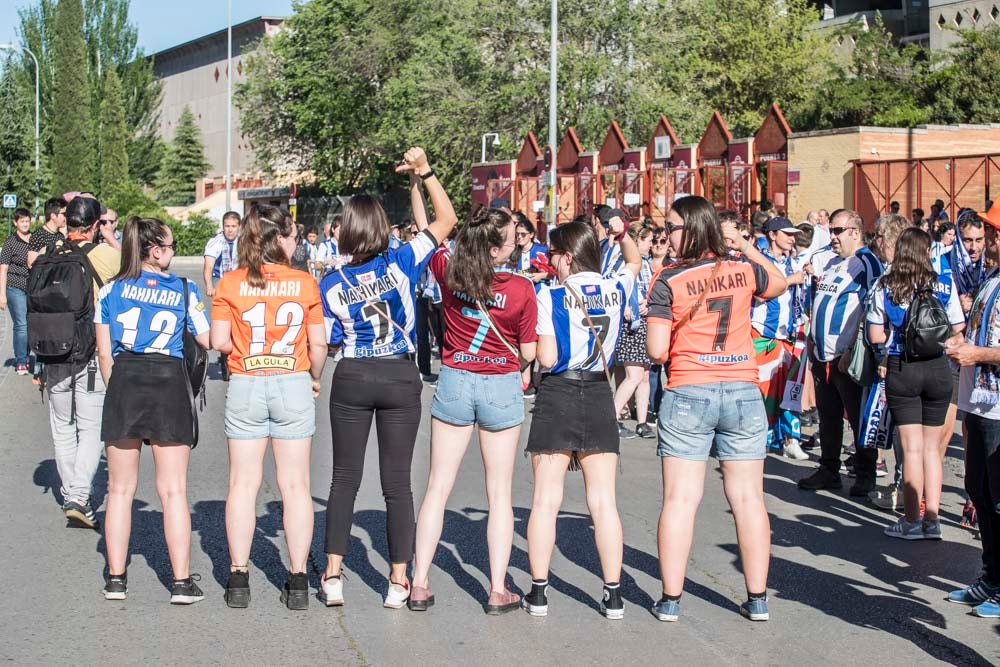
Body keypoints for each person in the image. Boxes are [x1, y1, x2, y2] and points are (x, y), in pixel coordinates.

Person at [319, 147, 458, 610]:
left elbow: (331, 339)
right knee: (397, 483)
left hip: (354, 372)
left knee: (344, 479)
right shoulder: (400, 260)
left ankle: (333, 574)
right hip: (400, 372)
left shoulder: (331, 282)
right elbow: (446, 220)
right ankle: (398, 580)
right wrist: (425, 173)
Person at [645, 196, 787, 623]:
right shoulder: (741, 270)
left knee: (680, 499)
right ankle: (758, 597)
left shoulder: (668, 277)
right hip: (742, 387)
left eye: (670, 226)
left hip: (690, 387)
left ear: (689, 229)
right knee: (748, 498)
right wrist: (744, 245)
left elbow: (654, 351)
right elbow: (778, 283)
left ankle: (671, 599)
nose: (664, 234)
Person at [410, 207, 538, 614]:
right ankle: (498, 589)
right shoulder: (520, 288)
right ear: (498, 249)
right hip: (500, 378)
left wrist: (418, 182)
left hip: (455, 375)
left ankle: (419, 581)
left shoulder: (451, 271)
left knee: (437, 487)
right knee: (498, 492)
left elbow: (431, 229)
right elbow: (530, 352)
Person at [521, 216, 641, 621]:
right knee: (604, 501)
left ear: (568, 256)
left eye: (553, 252)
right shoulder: (616, 288)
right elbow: (635, 263)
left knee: (545, 499)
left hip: (559, 391)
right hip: (598, 390)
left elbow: (548, 358)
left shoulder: (550, 295)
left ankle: (538, 592)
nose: (549, 259)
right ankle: (613, 594)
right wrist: (623, 235)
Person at [210, 204, 328, 610]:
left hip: (246, 380)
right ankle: (297, 579)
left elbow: (219, 340)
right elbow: (319, 345)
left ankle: (238, 576)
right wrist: (314, 376)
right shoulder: (304, 283)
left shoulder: (230, 282)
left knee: (242, 484)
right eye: (292, 235)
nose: (295, 242)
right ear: (278, 239)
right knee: (295, 486)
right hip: (292, 379)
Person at [96, 217, 211, 604]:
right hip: (168, 379)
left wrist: (118, 389)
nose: (174, 252)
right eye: (172, 246)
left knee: (119, 489)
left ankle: (115, 579)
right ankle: (180, 582)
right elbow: (206, 338)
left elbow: (104, 352)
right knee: (173, 490)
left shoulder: (111, 289)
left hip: (125, 377)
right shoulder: (183, 288)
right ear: (155, 251)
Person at [867, 227, 964, 540]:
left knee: (911, 449)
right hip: (938, 367)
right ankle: (932, 520)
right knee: (933, 451)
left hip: (902, 365)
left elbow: (875, 335)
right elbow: (957, 327)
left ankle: (911, 521)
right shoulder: (944, 283)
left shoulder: (886, 284)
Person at [39, 196, 120, 528]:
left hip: (51, 352)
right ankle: (78, 494)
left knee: (62, 428)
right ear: (95, 225)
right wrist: (110, 234)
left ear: (65, 221)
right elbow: (136, 265)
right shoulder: (105, 256)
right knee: (90, 428)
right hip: (88, 352)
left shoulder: (47, 255)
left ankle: (73, 493)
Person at [798, 209, 883, 496]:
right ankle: (829, 469)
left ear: (855, 232)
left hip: (847, 356)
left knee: (858, 417)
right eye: (831, 230)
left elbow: (874, 308)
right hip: (822, 354)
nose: (832, 236)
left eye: (838, 231)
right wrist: (812, 339)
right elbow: (820, 300)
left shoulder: (867, 262)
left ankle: (865, 473)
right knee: (828, 415)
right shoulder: (834, 262)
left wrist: (854, 349)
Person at [946, 201, 1000, 617]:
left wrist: (977, 352)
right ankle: (991, 576)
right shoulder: (992, 277)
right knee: (980, 493)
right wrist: (961, 346)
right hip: (980, 403)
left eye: (995, 233)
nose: (989, 240)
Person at [750, 217, 809, 460]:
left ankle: (791, 438)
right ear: (773, 234)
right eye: (787, 234)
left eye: (793, 235)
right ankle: (760, 436)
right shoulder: (760, 261)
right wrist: (790, 281)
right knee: (762, 390)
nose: (792, 239)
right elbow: (759, 296)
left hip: (790, 336)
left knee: (791, 390)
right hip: (764, 334)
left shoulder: (794, 261)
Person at [612, 221, 656, 438]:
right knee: (634, 374)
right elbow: (613, 288)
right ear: (636, 240)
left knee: (644, 375)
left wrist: (648, 304)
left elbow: (648, 290)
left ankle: (642, 421)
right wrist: (625, 307)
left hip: (643, 321)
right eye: (648, 240)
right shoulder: (622, 262)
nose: (651, 245)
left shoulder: (646, 264)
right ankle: (611, 417)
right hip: (629, 325)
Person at [203, 210, 240, 380]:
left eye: (233, 226)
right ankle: (224, 352)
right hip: (223, 282)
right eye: (227, 226)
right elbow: (208, 266)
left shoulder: (244, 241)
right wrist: (210, 286)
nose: (230, 230)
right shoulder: (216, 242)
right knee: (223, 321)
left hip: (240, 283)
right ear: (223, 227)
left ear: (239, 227)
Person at [0, 208, 33, 374]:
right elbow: (3, 269)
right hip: (15, 286)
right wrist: (2, 295)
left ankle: (26, 355)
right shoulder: (10, 242)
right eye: (22, 221)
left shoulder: (35, 239)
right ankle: (21, 361)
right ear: (15, 223)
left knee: (31, 324)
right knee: (21, 324)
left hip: (33, 287)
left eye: (27, 221)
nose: (25, 224)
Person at [646, 226, 671, 424]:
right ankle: (653, 408)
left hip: (667, 322)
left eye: (663, 241)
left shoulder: (672, 267)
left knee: (669, 367)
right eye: (655, 241)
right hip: (645, 320)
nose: (658, 245)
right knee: (652, 370)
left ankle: (668, 406)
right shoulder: (644, 265)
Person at [27, 197, 67, 269]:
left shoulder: (60, 236)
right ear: (53, 216)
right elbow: (31, 264)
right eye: (64, 214)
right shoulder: (38, 236)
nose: (66, 217)